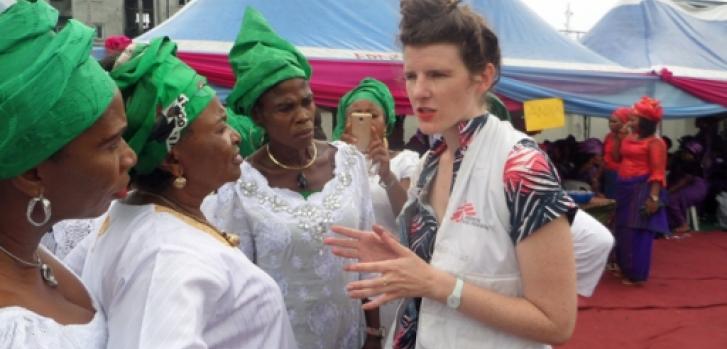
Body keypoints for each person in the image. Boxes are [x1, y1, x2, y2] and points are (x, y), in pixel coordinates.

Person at [325, 1, 578, 348]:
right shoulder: (431, 161)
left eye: (438, 75)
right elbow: (445, 262)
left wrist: (438, 285)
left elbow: (556, 321)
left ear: (483, 78)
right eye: (412, 75)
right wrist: (400, 259)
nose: (419, 91)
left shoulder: (521, 167)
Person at [66, 37, 297, 349]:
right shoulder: (168, 256)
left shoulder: (138, 218)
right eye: (219, 128)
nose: (236, 136)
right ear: (173, 159)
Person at [203, 8, 376, 349]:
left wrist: (373, 333)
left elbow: (368, 260)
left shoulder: (349, 163)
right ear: (258, 115)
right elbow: (240, 287)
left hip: (351, 339)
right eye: (286, 108)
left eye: (307, 102)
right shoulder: (239, 187)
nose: (303, 116)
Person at [0, 1, 137, 347]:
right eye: (111, 144)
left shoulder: (29, 254)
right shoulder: (13, 331)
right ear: (33, 174)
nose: (130, 157)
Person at [333, 77, 421, 339]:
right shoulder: (328, 160)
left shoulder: (406, 161)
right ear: (344, 120)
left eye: (374, 114)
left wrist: (386, 174)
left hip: (389, 275)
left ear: (387, 121)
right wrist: (344, 160)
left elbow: (409, 217)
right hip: (346, 275)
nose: (367, 121)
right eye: (357, 115)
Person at [611, 96, 668, 284]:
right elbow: (617, 158)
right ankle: (622, 266)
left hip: (641, 188)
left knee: (636, 231)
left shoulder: (655, 143)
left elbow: (658, 173)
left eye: (634, 118)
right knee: (620, 227)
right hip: (623, 187)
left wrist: (653, 198)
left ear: (645, 122)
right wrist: (619, 139)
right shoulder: (629, 137)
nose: (630, 121)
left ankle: (636, 274)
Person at [666, 138, 707, 234]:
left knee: (671, 199)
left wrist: (669, 191)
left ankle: (683, 224)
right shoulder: (679, 160)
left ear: (695, 155)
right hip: (685, 186)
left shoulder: (694, 164)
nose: (685, 154)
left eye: (688, 153)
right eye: (684, 152)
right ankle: (671, 224)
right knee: (667, 198)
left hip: (696, 188)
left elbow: (685, 182)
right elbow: (668, 170)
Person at [603, 107, 630, 199]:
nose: (611, 124)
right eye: (610, 121)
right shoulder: (608, 136)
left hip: (619, 174)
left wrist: (618, 139)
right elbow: (605, 155)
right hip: (608, 172)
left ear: (624, 122)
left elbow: (616, 157)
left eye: (615, 122)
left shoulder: (628, 138)